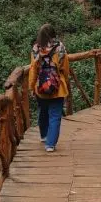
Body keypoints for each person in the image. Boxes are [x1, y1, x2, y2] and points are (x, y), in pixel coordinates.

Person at [28, 24, 70, 152]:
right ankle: (50, 144)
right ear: (53, 34)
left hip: (40, 87)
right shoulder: (60, 47)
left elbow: (33, 69)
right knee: (55, 115)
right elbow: (65, 67)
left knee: (43, 110)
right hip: (57, 87)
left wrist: (31, 86)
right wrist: (64, 80)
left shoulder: (36, 48)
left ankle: (44, 135)